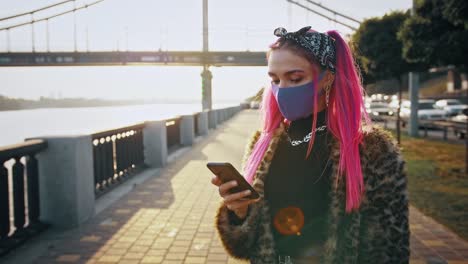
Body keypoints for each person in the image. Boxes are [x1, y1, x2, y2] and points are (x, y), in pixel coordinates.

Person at [210, 26, 410, 264]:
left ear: (327, 78)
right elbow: (243, 246)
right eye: (274, 80)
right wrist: (238, 213)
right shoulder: (262, 144)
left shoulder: (373, 150)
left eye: (295, 78)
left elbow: (390, 248)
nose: (281, 89)